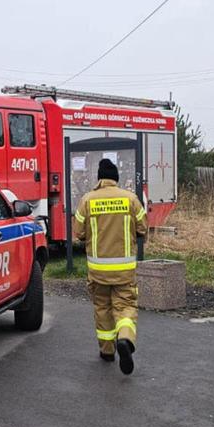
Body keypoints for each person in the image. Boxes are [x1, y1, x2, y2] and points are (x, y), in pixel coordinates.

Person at [73, 158, 148, 375]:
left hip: (98, 272)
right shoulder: (131, 199)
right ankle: (124, 339)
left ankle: (107, 351)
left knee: (102, 309)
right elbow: (143, 228)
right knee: (125, 307)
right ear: (116, 178)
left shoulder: (87, 200)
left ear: (99, 179)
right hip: (124, 272)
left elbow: (79, 233)